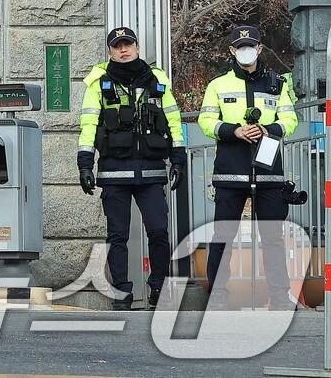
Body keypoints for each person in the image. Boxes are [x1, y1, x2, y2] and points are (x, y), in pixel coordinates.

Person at [76, 26, 186, 310]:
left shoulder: (157, 79)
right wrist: (85, 165)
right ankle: (121, 293)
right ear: (110, 51)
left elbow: (173, 121)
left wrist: (178, 158)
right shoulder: (98, 82)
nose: (123, 49)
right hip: (114, 172)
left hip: (151, 171)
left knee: (159, 232)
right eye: (117, 46)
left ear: (137, 47)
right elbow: (88, 125)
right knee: (117, 236)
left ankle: (159, 287)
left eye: (128, 44)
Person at [198, 24, 299, 310]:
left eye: (251, 45)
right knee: (223, 235)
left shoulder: (278, 84)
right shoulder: (217, 85)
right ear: (232, 50)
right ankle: (217, 296)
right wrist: (234, 131)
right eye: (240, 47)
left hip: (268, 172)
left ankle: (279, 297)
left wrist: (269, 129)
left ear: (260, 49)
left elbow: (290, 121)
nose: (246, 51)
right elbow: (206, 122)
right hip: (231, 170)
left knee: (272, 238)